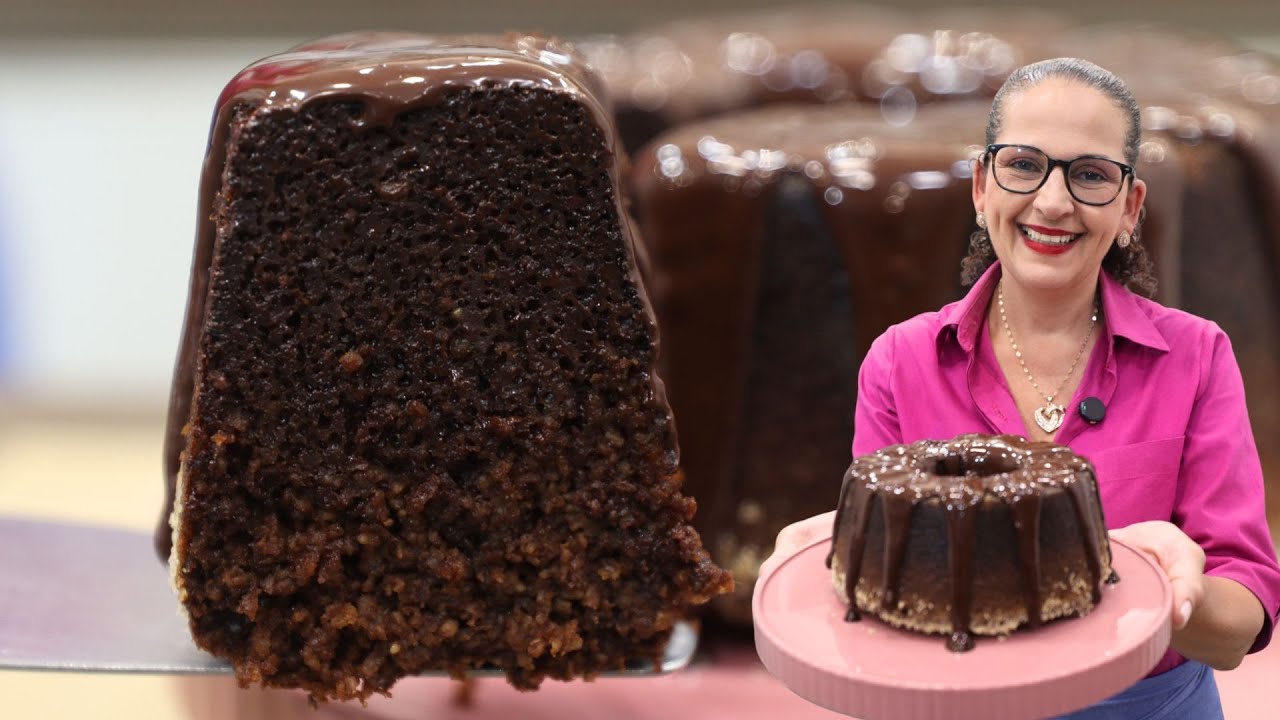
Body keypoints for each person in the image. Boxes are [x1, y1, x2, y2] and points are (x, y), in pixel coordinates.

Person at [837, 57, 1280, 718]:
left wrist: (1173, 593)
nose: (1052, 201)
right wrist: (835, 564)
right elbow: (881, 604)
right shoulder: (900, 362)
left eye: (1090, 174)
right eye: (1023, 165)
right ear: (982, 187)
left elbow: (1239, 621)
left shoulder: (1196, 356)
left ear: (1130, 207)